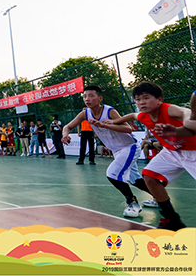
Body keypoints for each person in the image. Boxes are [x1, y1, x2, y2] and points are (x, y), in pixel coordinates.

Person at [105, 84, 195, 231]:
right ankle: (172, 219)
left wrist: (185, 122)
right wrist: (115, 121)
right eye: (137, 99)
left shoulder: (168, 109)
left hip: (193, 151)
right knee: (149, 177)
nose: (141, 102)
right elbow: (132, 116)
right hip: (172, 152)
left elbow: (185, 111)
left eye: (146, 98)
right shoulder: (143, 116)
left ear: (159, 99)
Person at [62, 85, 155, 218]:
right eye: (85, 96)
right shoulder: (85, 113)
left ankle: (132, 203)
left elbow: (128, 129)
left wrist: (105, 125)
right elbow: (68, 126)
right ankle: (158, 197)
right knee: (134, 179)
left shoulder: (109, 111)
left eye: (91, 96)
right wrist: (65, 135)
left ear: (100, 98)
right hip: (117, 150)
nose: (87, 99)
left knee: (112, 173)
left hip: (129, 147)